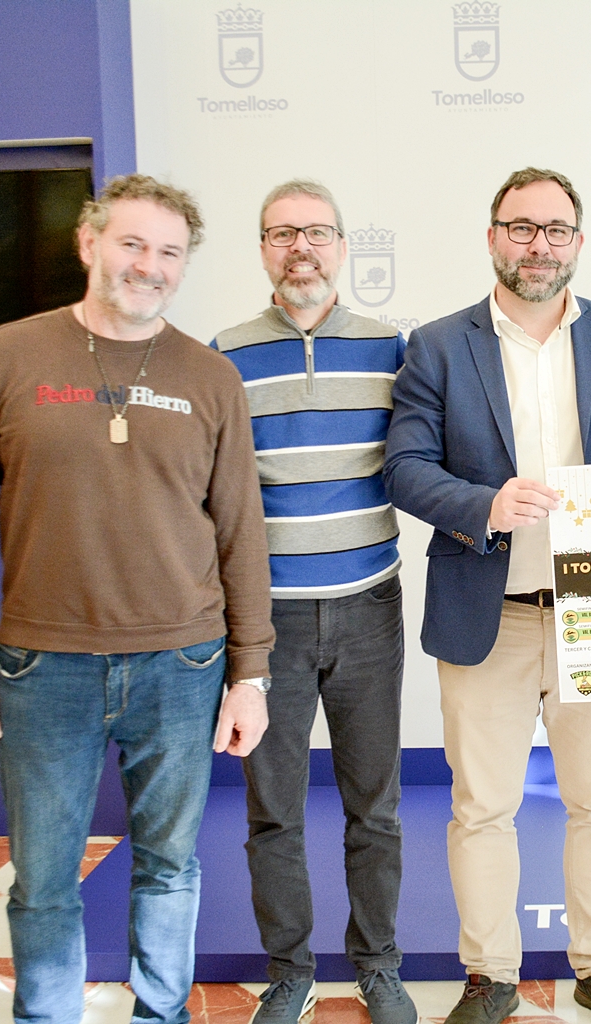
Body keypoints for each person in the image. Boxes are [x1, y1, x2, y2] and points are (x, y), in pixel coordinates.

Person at [0, 174, 274, 1024]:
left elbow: (240, 532)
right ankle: (47, 1016)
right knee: (44, 877)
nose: (147, 266)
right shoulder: (5, 357)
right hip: (43, 667)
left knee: (170, 866)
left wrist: (250, 674)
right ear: (89, 244)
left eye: (168, 252)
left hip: (183, 663)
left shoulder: (210, 375)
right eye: (131, 243)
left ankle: (159, 1014)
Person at [384, 167, 591, 1024]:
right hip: (488, 614)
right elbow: (403, 467)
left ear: (577, 243)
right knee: (482, 809)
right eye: (520, 227)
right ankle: (491, 977)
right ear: (492, 237)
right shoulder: (437, 345)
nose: (536, 244)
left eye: (554, 229)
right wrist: (486, 505)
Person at [212, 179, 413, 1024]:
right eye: (282, 233)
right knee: (274, 811)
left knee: (376, 805)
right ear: (261, 248)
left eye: (317, 233)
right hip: (270, 624)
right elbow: (214, 499)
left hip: (370, 607)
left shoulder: (391, 349)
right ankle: (290, 970)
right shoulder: (222, 355)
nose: (301, 247)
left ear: (342, 246)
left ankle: (378, 966)